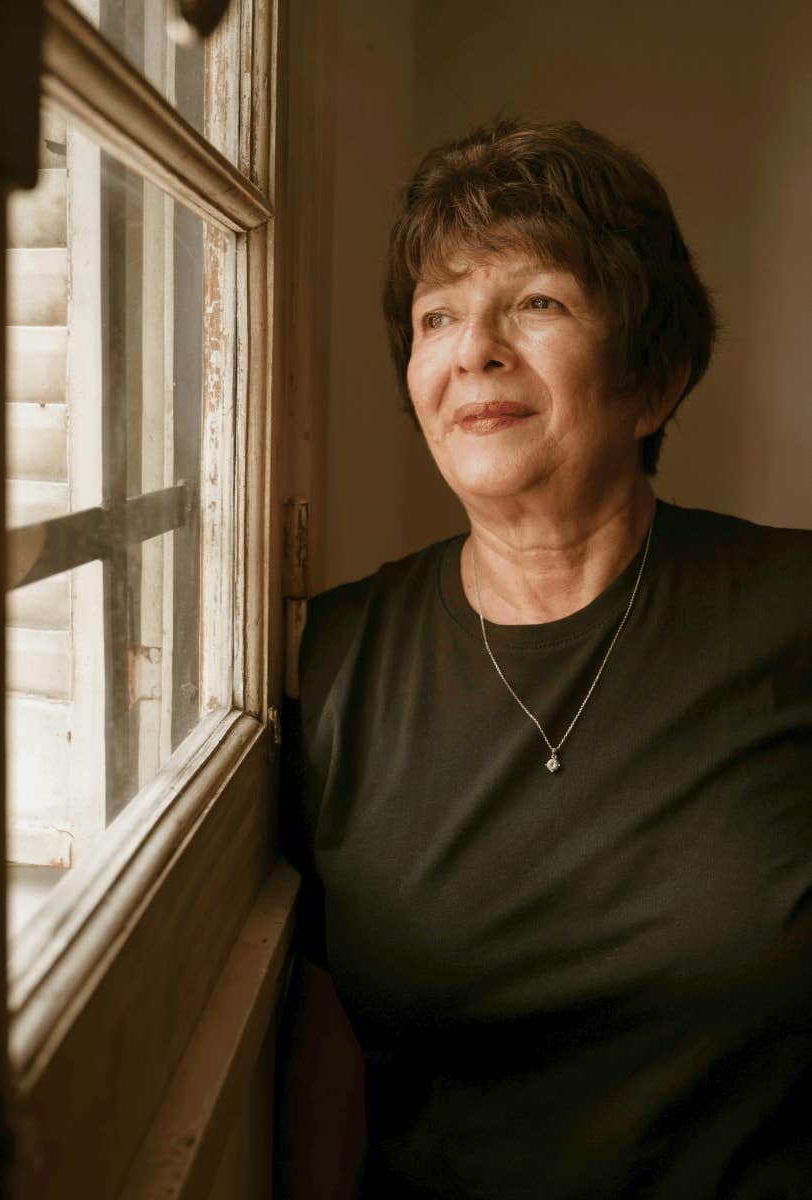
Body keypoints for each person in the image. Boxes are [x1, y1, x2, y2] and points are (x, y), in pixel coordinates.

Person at [279, 119, 812, 1199]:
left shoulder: (792, 611)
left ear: (651, 381)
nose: (473, 345)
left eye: (536, 302)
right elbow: (329, 1036)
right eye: (438, 315)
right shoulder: (335, 656)